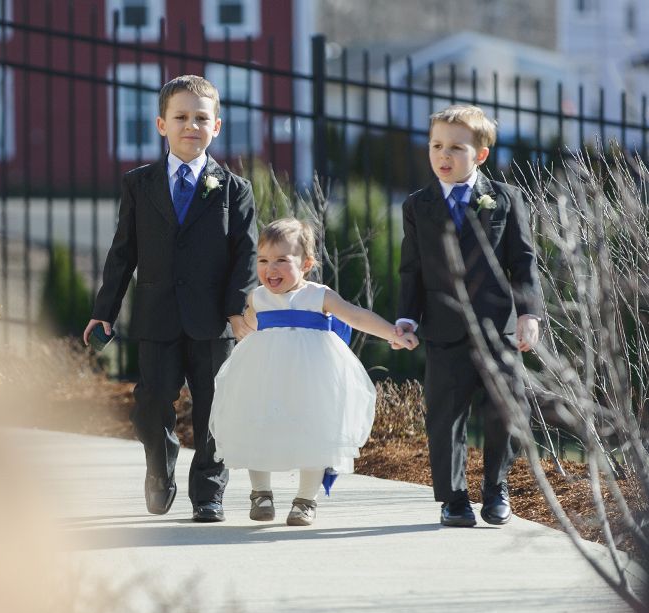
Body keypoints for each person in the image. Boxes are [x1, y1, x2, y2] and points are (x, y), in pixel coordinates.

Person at [83, 75, 257, 523]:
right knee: (151, 403)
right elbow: (123, 253)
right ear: (162, 124)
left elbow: (246, 253)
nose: (191, 126)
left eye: (202, 118)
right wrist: (104, 311)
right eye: (181, 117)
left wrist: (237, 308)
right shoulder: (139, 184)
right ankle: (159, 470)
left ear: (216, 126)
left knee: (214, 407)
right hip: (157, 316)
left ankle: (209, 493)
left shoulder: (234, 188)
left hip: (213, 319)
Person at [208, 218, 418, 526]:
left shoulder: (319, 296)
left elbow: (356, 315)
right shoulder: (258, 298)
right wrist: (237, 324)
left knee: (315, 431)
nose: (271, 269)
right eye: (264, 260)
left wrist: (392, 333)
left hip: (312, 378)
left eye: (282, 260)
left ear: (306, 263)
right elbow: (247, 326)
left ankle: (305, 499)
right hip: (265, 376)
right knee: (256, 425)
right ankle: (261, 493)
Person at [394, 104, 542, 527]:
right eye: (436, 145)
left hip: (499, 328)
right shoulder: (418, 205)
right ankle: (453, 499)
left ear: (479, 154)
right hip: (444, 329)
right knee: (446, 416)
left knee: (506, 409)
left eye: (456, 147)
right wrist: (407, 317)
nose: (443, 155)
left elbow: (523, 261)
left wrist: (530, 313)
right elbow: (412, 269)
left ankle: (496, 489)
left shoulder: (505, 198)